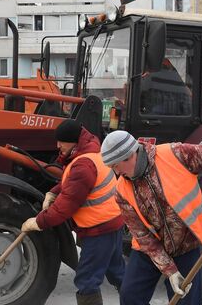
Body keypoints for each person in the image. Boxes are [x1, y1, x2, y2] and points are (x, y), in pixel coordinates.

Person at [100, 130, 202, 305]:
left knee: (186, 301)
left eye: (115, 165)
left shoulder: (175, 154)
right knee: (130, 296)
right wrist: (170, 271)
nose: (116, 172)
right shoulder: (122, 192)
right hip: (149, 251)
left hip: (185, 245)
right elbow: (142, 236)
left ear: (130, 155)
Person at [21, 119, 125, 305]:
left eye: (62, 141)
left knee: (87, 281)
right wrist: (53, 192)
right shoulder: (92, 153)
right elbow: (74, 183)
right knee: (118, 273)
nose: (58, 145)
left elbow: (65, 207)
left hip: (99, 230)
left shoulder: (82, 165)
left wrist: (38, 222)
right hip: (113, 224)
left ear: (74, 142)